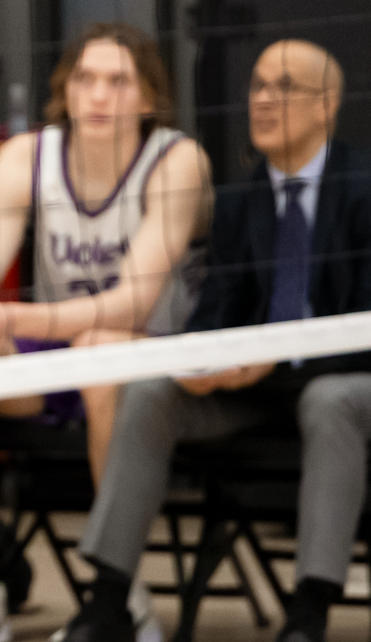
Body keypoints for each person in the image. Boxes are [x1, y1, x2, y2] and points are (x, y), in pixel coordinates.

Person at [0, 23, 211, 642]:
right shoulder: (26, 156)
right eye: (85, 80)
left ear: (148, 99)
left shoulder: (176, 159)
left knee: (101, 354)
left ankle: (121, 593)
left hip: (153, 358)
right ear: (65, 91)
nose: (98, 96)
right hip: (59, 354)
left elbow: (132, 303)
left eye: (118, 81)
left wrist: (13, 318)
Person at [59, 40, 371, 642]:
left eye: (282, 87)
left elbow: (364, 322)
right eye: (255, 85)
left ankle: (308, 610)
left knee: (329, 399)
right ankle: (107, 602)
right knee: (150, 393)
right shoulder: (236, 200)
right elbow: (215, 312)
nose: (261, 100)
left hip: (344, 378)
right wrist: (199, 358)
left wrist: (273, 357)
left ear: (326, 105)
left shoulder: (363, 189)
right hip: (254, 386)